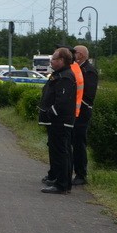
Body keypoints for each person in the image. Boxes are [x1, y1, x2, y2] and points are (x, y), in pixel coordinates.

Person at [40, 47, 77, 194]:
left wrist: (51, 112)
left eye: (54, 59)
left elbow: (62, 101)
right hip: (57, 121)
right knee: (59, 151)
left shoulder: (65, 76)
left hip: (60, 121)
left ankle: (62, 185)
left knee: (61, 152)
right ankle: (61, 181)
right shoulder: (60, 74)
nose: (51, 61)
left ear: (61, 61)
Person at [70, 45, 99, 185]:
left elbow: (88, 95)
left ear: (80, 55)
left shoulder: (89, 71)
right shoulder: (76, 68)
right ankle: (69, 171)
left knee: (79, 143)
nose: (71, 54)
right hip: (73, 112)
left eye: (73, 52)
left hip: (82, 113)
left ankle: (81, 174)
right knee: (70, 142)